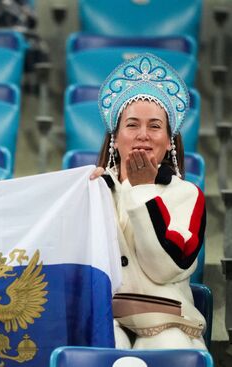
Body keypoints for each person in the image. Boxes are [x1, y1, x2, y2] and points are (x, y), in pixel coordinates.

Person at [92, 53, 207, 349]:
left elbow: (165, 268)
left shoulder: (187, 194)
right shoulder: (91, 189)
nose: (143, 135)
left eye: (155, 126)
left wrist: (142, 192)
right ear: (115, 138)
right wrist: (85, 194)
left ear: (169, 140)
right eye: (132, 125)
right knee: (103, 345)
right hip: (104, 320)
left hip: (168, 324)